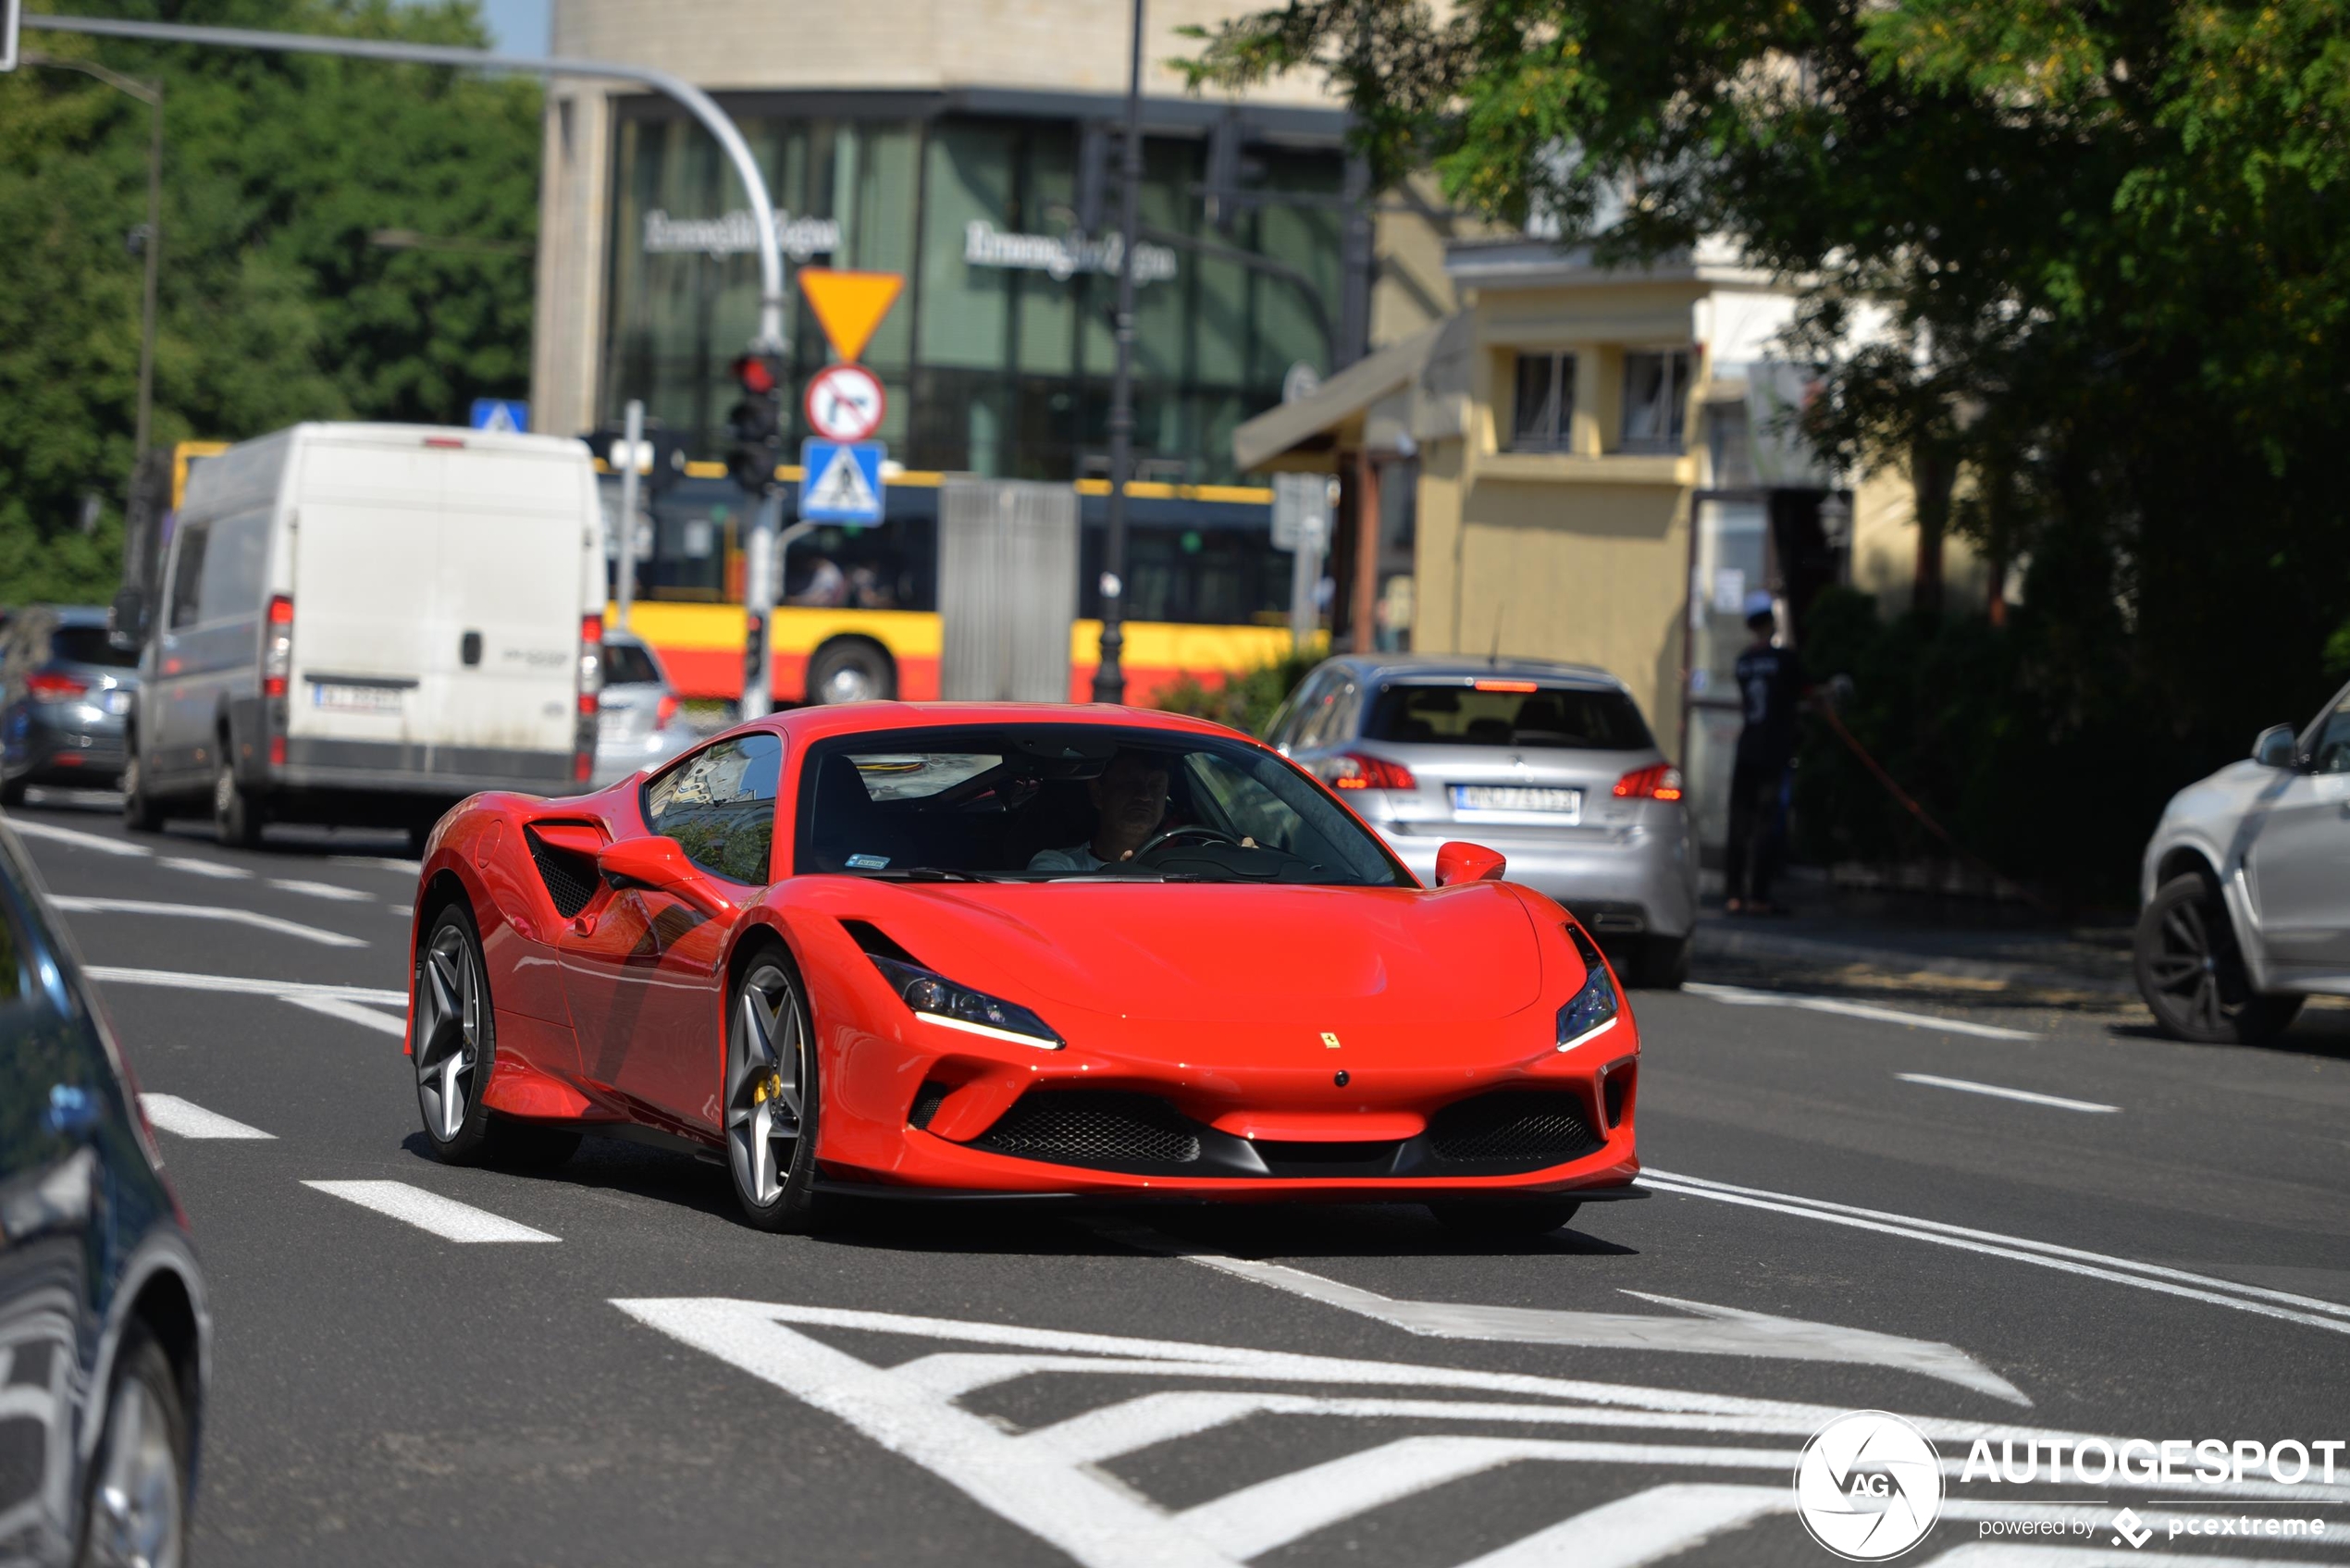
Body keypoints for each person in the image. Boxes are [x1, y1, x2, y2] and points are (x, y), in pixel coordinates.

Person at [1725, 589, 1805, 915]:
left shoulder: (1743, 662)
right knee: (1766, 824)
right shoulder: (1784, 659)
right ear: (1771, 622)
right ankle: (1758, 895)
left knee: (1739, 823)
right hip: (1773, 750)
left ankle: (1733, 895)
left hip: (1747, 747)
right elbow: (1807, 693)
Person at [1028, 748, 1171, 872]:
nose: (1145, 796)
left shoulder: (1185, 864)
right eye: (1130, 783)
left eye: (1156, 785)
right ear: (1097, 793)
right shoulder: (1059, 865)